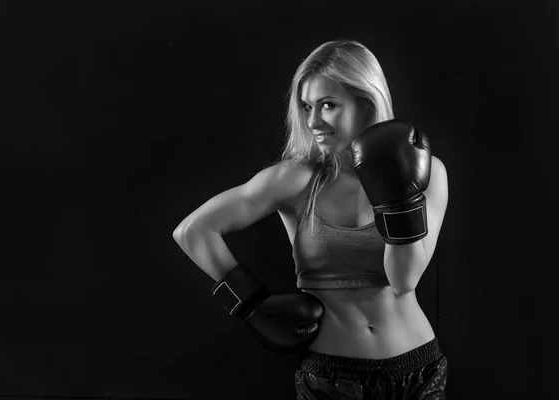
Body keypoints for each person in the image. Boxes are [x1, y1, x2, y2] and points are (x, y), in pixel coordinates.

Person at [173, 39, 448, 399]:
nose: (313, 121)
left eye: (328, 105)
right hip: (332, 378)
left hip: (418, 371)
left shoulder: (428, 173)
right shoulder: (297, 180)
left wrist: (396, 193)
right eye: (306, 107)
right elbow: (193, 231)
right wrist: (251, 304)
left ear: (365, 106)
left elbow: (404, 280)